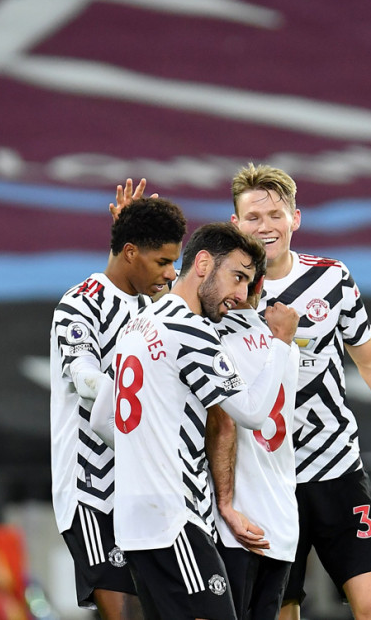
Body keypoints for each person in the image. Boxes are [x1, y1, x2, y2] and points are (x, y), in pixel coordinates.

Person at [230, 164, 371, 620]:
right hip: (267, 480)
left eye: (275, 214)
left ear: (296, 218)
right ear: (235, 225)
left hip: (337, 467)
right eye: (253, 217)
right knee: (280, 609)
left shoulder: (332, 279)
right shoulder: (224, 293)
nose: (265, 226)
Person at [90, 222, 299, 620]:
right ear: (203, 263)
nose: (239, 296)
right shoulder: (192, 329)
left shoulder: (138, 324)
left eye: (248, 282)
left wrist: (145, 454)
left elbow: (103, 417)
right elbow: (253, 412)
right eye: (237, 277)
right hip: (175, 519)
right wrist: (281, 344)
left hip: (134, 524)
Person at [50, 184, 186, 620]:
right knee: (123, 614)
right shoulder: (78, 306)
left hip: (151, 484)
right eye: (163, 262)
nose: (170, 273)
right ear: (131, 253)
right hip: (94, 488)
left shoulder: (162, 307)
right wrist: (119, 393)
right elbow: (84, 375)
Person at [207, 266, 301, 620]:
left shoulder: (211, 339)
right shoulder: (284, 345)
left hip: (235, 522)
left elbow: (224, 424)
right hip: (280, 521)